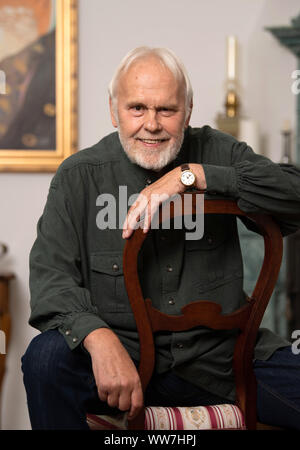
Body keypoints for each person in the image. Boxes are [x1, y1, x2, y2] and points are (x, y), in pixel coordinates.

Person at [22, 46, 300, 430]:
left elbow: (295, 193)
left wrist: (195, 175)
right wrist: (98, 339)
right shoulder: (79, 176)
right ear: (113, 110)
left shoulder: (218, 151)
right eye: (137, 108)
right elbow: (50, 279)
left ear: (187, 110)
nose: (151, 124)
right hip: (122, 363)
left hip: (220, 362)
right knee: (44, 359)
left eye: (166, 110)